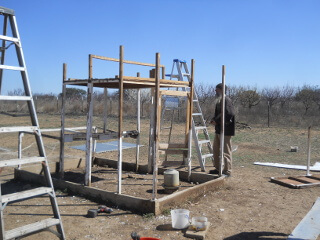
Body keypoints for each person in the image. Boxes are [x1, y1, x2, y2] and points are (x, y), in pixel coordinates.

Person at [210, 83, 235, 176]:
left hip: (226, 130)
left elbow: (230, 114)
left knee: (226, 151)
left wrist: (218, 121)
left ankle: (227, 171)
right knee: (216, 150)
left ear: (222, 90)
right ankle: (217, 168)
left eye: (217, 89)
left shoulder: (226, 100)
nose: (215, 91)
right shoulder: (219, 100)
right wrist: (214, 119)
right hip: (218, 129)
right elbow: (220, 114)